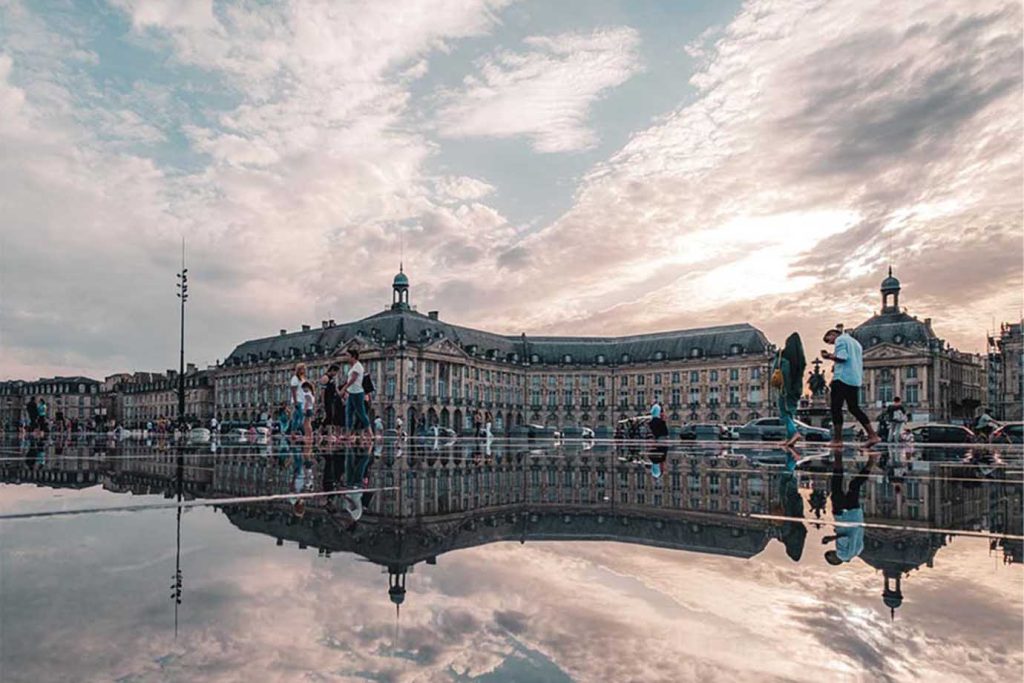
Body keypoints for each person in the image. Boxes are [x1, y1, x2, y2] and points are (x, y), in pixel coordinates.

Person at [822, 326, 880, 446]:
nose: (831, 343)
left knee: (835, 408)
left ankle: (837, 440)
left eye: (829, 340)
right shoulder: (856, 343)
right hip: (854, 379)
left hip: (842, 378)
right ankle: (872, 435)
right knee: (854, 408)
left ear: (833, 333)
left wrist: (829, 356)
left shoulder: (841, 340)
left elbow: (843, 358)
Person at [823, 449, 877, 565]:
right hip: (842, 515)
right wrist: (831, 538)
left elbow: (856, 534)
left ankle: (871, 462)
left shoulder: (858, 551)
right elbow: (845, 538)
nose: (832, 552)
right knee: (836, 485)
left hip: (856, 515)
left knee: (855, 486)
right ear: (834, 560)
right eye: (830, 555)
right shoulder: (842, 554)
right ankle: (838, 456)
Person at [772, 332, 806, 446]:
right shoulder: (800, 360)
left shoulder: (784, 357)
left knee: (783, 413)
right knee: (790, 413)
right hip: (797, 390)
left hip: (785, 389)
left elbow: (779, 371)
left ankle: (794, 433)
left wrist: (777, 357)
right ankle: (789, 439)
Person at [339, 349, 370, 442]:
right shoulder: (353, 366)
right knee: (348, 413)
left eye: (348, 356)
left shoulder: (357, 366)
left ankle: (370, 432)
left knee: (361, 413)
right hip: (352, 393)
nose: (346, 358)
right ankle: (348, 434)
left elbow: (353, 379)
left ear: (353, 356)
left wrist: (344, 388)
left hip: (358, 393)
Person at [320, 364, 344, 441]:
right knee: (329, 415)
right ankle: (328, 433)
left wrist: (341, 397)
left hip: (333, 399)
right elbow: (322, 391)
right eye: (336, 372)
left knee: (331, 416)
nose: (336, 374)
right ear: (332, 370)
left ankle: (319, 432)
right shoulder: (325, 378)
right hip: (327, 399)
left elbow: (336, 389)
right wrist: (323, 401)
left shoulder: (332, 379)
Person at [289, 363, 308, 437]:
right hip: (298, 401)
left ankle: (293, 433)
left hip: (302, 401)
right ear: (299, 369)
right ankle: (304, 433)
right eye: (304, 368)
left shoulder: (302, 379)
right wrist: (295, 402)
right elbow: (293, 390)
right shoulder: (295, 378)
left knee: (295, 419)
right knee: (302, 418)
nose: (305, 370)